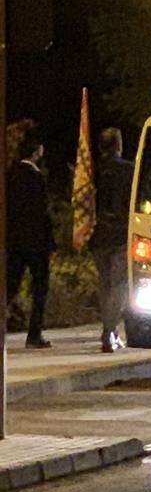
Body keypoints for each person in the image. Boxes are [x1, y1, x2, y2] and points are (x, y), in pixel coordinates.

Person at [6, 124, 54, 348]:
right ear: (36, 151)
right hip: (36, 244)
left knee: (9, 287)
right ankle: (34, 334)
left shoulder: (10, 175)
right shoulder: (36, 177)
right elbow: (42, 212)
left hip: (14, 242)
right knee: (40, 289)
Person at [91, 127, 134, 352]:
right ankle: (109, 331)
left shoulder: (91, 170)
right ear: (118, 145)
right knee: (119, 284)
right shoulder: (129, 170)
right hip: (120, 234)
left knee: (104, 283)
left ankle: (110, 330)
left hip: (97, 235)